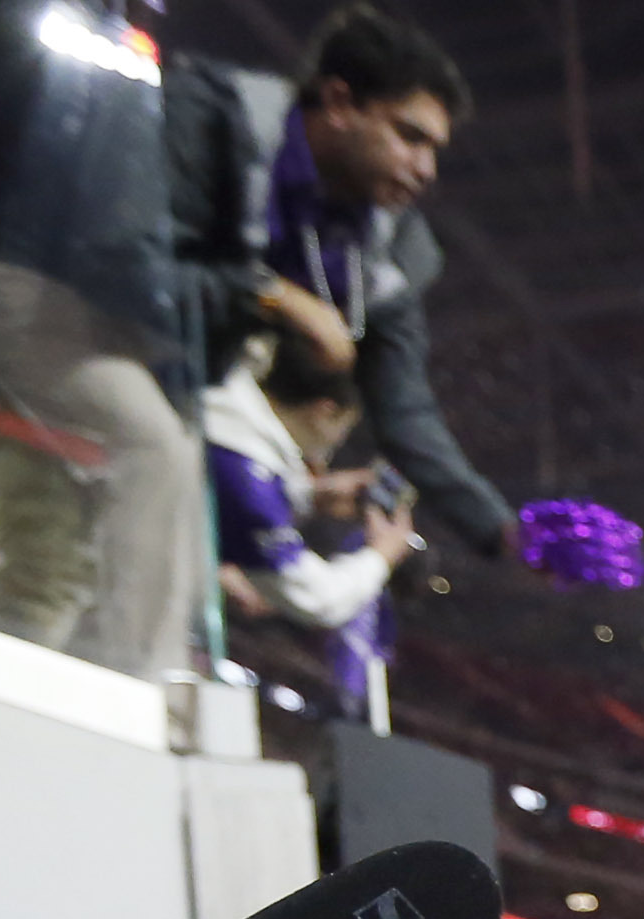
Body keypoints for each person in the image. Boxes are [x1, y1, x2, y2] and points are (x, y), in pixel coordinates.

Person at [162, 6, 516, 588]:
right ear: (339, 102)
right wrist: (277, 297)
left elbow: (404, 409)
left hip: (184, 394)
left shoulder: (395, 247)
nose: (425, 169)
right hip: (90, 332)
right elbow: (141, 265)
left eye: (435, 151)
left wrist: (501, 530)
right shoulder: (211, 117)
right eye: (409, 136)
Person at [0, 0, 190, 676]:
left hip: (49, 292)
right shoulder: (78, 35)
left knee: (44, 561)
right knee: (156, 452)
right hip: (25, 284)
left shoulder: (117, 39)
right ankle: (116, 682)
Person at [206, 336, 407, 717]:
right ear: (324, 411)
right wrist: (382, 556)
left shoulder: (229, 395)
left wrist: (307, 493)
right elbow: (317, 597)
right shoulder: (249, 481)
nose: (338, 443)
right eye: (345, 428)